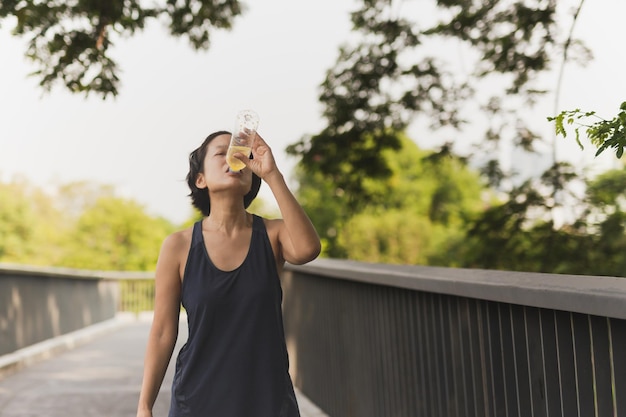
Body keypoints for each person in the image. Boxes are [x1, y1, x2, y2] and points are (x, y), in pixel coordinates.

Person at [136, 129, 321, 417]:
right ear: (201, 179)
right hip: (197, 401)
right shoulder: (178, 246)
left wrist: (273, 175)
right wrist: (144, 406)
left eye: (242, 155)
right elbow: (162, 332)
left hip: (268, 401)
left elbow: (308, 249)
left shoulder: (272, 234)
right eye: (221, 152)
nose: (234, 158)